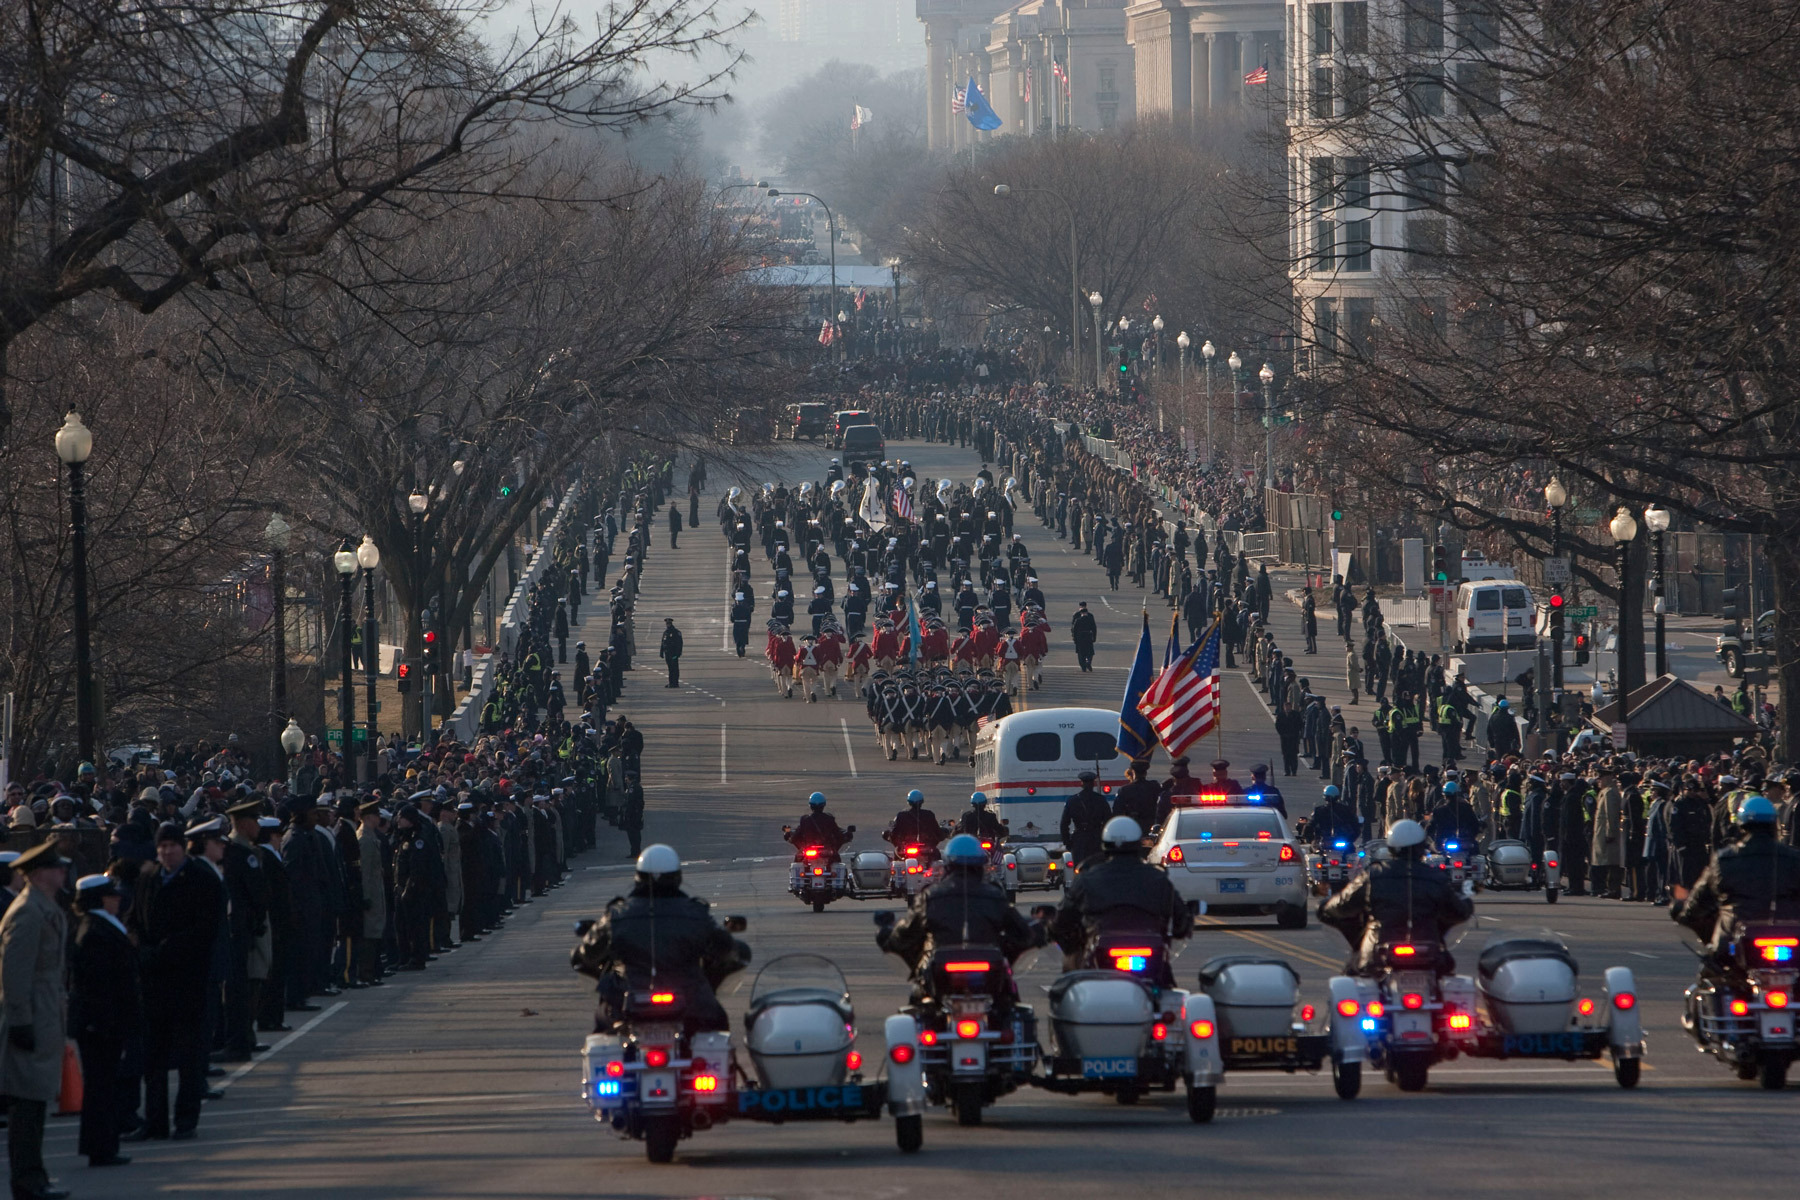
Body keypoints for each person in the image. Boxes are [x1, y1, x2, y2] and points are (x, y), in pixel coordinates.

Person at [571, 845, 749, 1035]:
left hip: (626, 999)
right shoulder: (695, 913)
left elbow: (585, 954)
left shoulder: (617, 915)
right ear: (677, 877)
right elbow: (726, 948)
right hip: (690, 1000)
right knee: (718, 1027)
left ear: (638, 877)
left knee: (603, 1031)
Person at [133, 820, 225, 1141]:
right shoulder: (147, 879)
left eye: (172, 845)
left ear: (183, 847)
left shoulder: (201, 880)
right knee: (154, 1059)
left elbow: (206, 929)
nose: (167, 851)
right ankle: (155, 1121)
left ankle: (186, 1119)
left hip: (188, 980)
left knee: (188, 1056)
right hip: (154, 983)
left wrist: (168, 949)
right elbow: (135, 921)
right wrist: (143, 951)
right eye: (162, 846)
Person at [1, 840, 71, 1200]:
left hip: (44, 1011)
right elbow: (14, 974)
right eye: (56, 867)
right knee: (26, 1104)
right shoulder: (27, 913)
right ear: (40, 872)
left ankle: (36, 1176)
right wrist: (20, 1021)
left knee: (38, 1099)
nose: (63, 872)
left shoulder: (44, 908)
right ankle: (27, 1182)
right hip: (30, 1013)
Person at [876, 835, 1042, 985]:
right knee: (1012, 1005)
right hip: (988, 975)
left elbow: (905, 934)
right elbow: (1024, 934)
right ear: (980, 866)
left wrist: (889, 935)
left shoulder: (930, 897)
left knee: (918, 1003)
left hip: (942, 976)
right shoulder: (996, 897)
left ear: (948, 866)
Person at [1320, 819, 1473, 976]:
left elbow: (1340, 906)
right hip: (1429, 954)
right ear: (1421, 848)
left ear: (1391, 848)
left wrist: (1326, 906)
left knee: (1351, 982)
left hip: (1377, 954)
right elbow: (1459, 911)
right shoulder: (1436, 878)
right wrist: (1465, 903)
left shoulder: (1373, 876)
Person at [1049, 817, 1193, 984]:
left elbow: (1062, 920)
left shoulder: (1087, 879)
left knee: (1068, 982)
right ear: (1137, 844)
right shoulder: (1158, 878)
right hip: (1150, 961)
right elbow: (1181, 922)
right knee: (1168, 992)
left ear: (1105, 844)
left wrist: (1062, 935)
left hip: (1097, 959)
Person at [1673, 796, 1800, 963]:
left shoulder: (1725, 860)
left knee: (1712, 979)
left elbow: (1696, 905)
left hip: (1735, 944)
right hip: (1789, 944)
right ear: (1773, 824)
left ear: (1741, 826)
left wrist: (1683, 909)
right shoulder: (1793, 859)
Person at [70, 873, 140, 1169]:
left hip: (103, 1022)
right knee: (101, 1087)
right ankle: (101, 1147)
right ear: (101, 899)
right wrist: (108, 1023)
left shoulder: (100, 928)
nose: (118, 898)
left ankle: (103, 1144)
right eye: (112, 895)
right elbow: (99, 986)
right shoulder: (96, 932)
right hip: (101, 1024)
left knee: (104, 1086)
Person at [1058, 773, 1112, 866]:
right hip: (1096, 839)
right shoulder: (1101, 800)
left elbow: (1064, 824)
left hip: (1079, 840)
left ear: (1081, 784)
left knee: (1080, 869)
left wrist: (1068, 843)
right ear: (1093, 784)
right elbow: (1108, 821)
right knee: (1097, 868)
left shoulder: (1072, 800)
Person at [1423, 780, 1482, 851]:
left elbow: (1431, 827)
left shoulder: (1439, 810)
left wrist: (1424, 835)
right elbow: (1475, 824)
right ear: (1457, 793)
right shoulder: (1467, 808)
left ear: (1444, 795)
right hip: (1465, 843)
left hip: (1442, 844)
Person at [889, 790, 946, 858]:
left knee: (896, 856)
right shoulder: (929, 815)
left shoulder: (901, 816)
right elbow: (938, 833)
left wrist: (898, 845)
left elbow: (894, 834)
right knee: (937, 857)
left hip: (906, 850)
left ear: (909, 802)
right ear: (922, 801)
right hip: (927, 850)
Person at [1303, 785, 1361, 850]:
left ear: (1325, 797)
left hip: (1323, 841)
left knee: (1313, 851)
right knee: (1352, 853)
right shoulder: (1346, 810)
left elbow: (1309, 826)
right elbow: (1356, 826)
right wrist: (1350, 839)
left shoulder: (1319, 810)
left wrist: (1310, 839)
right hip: (1342, 841)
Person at [1112, 762, 1160, 833]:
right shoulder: (1154, 786)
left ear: (1133, 772)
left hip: (1132, 826)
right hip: (1152, 825)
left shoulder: (1125, 790)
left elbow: (1117, 811)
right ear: (1145, 773)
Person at [1070, 602, 1098, 672]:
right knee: (1089, 652)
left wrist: (1074, 637)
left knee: (1080, 653)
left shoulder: (1077, 618)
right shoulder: (1090, 617)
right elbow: (1094, 628)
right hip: (1088, 636)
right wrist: (1094, 637)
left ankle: (1083, 666)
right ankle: (1088, 662)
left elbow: (1073, 628)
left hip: (1080, 637)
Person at [659, 617, 683, 688]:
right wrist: (661, 652)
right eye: (667, 623)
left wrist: (678, 654)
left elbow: (679, 644)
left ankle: (675, 683)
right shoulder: (665, 632)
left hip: (673, 654)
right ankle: (671, 682)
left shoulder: (676, 632)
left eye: (669, 623)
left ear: (671, 623)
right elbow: (663, 643)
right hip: (667, 653)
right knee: (670, 668)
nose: (668, 625)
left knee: (674, 668)